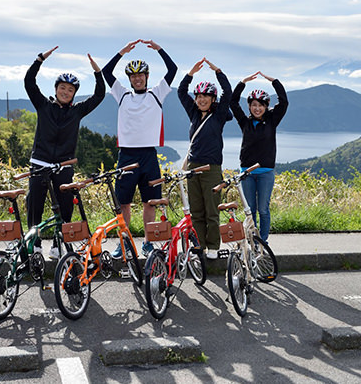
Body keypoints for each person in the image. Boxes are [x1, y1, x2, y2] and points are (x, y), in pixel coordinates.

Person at [24, 46, 105, 258]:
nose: (66, 92)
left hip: (64, 165)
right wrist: (39, 60)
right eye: (62, 88)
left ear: (74, 94)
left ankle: (59, 244)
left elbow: (99, 95)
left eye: (70, 90)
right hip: (40, 162)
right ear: (56, 88)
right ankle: (35, 242)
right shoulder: (43, 105)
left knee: (65, 205)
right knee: (35, 204)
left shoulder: (77, 111)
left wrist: (97, 72)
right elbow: (29, 83)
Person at [102, 39, 177, 258]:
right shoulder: (122, 94)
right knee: (123, 203)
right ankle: (124, 243)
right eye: (133, 76)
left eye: (140, 75)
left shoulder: (157, 93)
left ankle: (148, 242)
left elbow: (173, 69)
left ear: (146, 77)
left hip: (149, 155)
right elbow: (107, 72)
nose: (137, 79)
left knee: (150, 202)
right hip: (126, 154)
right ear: (130, 79)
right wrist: (122, 52)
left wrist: (160, 49)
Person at [177, 57, 232, 260]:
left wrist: (218, 71)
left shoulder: (218, 115)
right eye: (199, 96)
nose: (201, 99)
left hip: (212, 168)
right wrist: (190, 73)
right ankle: (199, 246)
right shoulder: (193, 113)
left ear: (213, 99)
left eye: (206, 97)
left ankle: (213, 246)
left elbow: (229, 92)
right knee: (196, 211)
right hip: (193, 167)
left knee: (212, 210)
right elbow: (181, 92)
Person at [230, 71, 289, 242]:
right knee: (250, 209)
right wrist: (242, 82)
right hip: (246, 172)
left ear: (266, 106)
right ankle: (251, 238)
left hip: (265, 172)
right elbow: (233, 102)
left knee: (263, 209)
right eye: (254, 104)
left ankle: (263, 241)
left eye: (261, 105)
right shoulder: (245, 122)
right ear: (249, 106)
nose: (257, 108)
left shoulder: (272, 120)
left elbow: (284, 102)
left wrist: (275, 81)